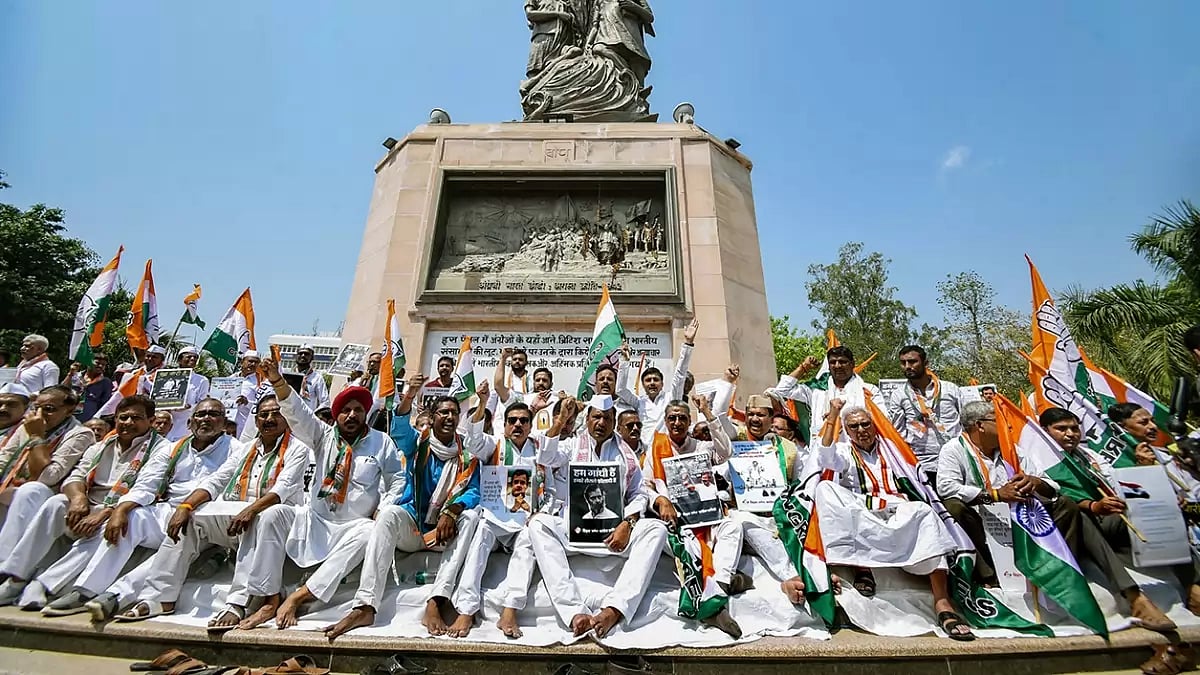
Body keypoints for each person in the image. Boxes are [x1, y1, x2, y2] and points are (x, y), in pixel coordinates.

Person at [233, 357, 403, 631]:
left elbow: (397, 479)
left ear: (365, 413)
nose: (351, 415)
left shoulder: (381, 441)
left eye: (358, 410)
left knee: (370, 532)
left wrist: (384, 507)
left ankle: (300, 596)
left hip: (353, 525)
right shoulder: (321, 435)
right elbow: (297, 411)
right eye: (345, 410)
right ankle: (268, 598)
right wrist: (278, 381)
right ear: (336, 414)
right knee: (272, 515)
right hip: (314, 520)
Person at [113, 394, 310, 628]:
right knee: (187, 520)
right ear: (256, 421)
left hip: (278, 518)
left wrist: (250, 510)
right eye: (263, 414)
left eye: (276, 413)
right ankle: (160, 597)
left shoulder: (298, 449)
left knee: (264, 515)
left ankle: (239, 603)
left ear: (287, 418)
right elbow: (216, 481)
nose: (269, 418)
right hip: (236, 513)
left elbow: (282, 490)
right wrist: (185, 507)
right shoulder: (246, 449)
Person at [38, 397, 238, 618]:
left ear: (224, 421)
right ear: (190, 421)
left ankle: (116, 596)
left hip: (204, 516)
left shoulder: (235, 449)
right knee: (132, 518)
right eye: (201, 414)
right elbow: (147, 484)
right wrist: (121, 510)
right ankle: (85, 591)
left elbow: (221, 487)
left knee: (180, 533)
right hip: (167, 509)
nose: (206, 419)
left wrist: (187, 507)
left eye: (213, 414)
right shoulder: (173, 449)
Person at [320, 376, 484, 640]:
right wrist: (408, 396)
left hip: (445, 534)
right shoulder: (417, 445)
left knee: (472, 516)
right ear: (431, 418)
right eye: (443, 412)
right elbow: (400, 431)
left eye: (454, 413)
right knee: (388, 514)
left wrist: (452, 511)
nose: (450, 417)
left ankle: (437, 600)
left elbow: (474, 491)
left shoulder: (468, 457)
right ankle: (365, 605)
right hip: (414, 528)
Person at [812, 401, 973, 640]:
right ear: (846, 431)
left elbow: (914, 480)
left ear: (874, 425)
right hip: (864, 508)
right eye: (853, 426)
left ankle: (942, 603)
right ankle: (862, 569)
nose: (861, 430)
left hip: (898, 508)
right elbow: (825, 457)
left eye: (865, 424)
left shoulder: (892, 448)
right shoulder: (845, 451)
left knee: (924, 511)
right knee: (826, 489)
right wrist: (834, 415)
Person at [0, 396, 170, 610]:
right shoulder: (100, 446)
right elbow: (75, 477)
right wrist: (78, 499)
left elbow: (145, 488)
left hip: (123, 507)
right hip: (87, 503)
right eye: (123, 417)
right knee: (55, 504)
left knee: (114, 526)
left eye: (136, 418)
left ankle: (43, 584)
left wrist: (103, 513)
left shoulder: (162, 449)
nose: (127, 423)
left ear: (151, 421)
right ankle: (16, 578)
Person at [1038, 407, 1190, 630]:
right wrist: (1092, 506)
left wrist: (1160, 496)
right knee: (1081, 515)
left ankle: (1192, 587)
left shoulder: (1089, 456)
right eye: (1061, 429)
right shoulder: (1036, 457)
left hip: (1110, 519)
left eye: (1074, 428)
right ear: (1044, 431)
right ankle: (1135, 597)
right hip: (1068, 529)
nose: (1070, 434)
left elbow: (1119, 485)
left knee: (1168, 509)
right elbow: (1051, 498)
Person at [530, 395, 667, 638]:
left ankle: (615, 608)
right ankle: (574, 611)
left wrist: (628, 522)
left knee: (656, 529)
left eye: (606, 418)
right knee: (539, 524)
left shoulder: (626, 454)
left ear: (614, 421)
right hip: (576, 532)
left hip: (613, 536)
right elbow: (546, 458)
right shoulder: (573, 444)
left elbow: (639, 493)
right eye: (596, 417)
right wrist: (561, 421)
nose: (600, 422)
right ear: (588, 419)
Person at [644, 396, 747, 637]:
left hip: (707, 518)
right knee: (690, 551)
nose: (677, 422)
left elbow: (725, 452)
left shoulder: (701, 446)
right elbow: (645, 485)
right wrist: (661, 500)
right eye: (672, 418)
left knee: (733, 526)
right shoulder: (656, 447)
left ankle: (719, 588)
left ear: (689, 421)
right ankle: (721, 599)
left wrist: (708, 413)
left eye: (682, 418)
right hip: (677, 522)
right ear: (666, 422)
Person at [936, 401, 1061, 588]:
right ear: (980, 425)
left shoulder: (1012, 450)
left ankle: (1059, 570)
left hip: (1020, 514)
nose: (1007, 425)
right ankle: (987, 576)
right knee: (953, 506)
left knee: (1065, 505)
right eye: (998, 420)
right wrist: (994, 495)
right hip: (982, 517)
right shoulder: (954, 449)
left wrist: (1035, 482)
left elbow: (1054, 487)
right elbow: (946, 487)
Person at [0, 385, 94, 533]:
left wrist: (37, 437)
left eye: (49, 409)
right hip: (12, 484)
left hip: (46, 494)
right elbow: (4, 458)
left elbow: (48, 477)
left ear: (69, 410)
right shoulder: (28, 425)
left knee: (30, 491)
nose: (40, 414)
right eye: (36, 407)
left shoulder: (81, 434)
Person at [619, 319, 698, 446]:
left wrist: (688, 344)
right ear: (643, 384)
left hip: (667, 449)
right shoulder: (639, 402)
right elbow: (620, 390)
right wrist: (624, 361)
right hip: (644, 451)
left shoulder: (671, 398)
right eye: (648, 380)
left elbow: (680, 376)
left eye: (655, 380)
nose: (652, 383)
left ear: (662, 383)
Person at [767, 346, 885, 431]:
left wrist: (840, 420)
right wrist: (804, 367)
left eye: (842, 362)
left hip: (857, 451)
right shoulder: (816, 390)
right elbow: (782, 390)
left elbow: (883, 420)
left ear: (852, 364)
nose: (837, 366)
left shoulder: (868, 390)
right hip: (822, 451)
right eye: (833, 362)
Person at [890, 346, 962, 479]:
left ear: (925, 363)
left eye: (912, 362)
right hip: (923, 462)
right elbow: (898, 431)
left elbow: (966, 421)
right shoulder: (899, 395)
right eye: (903, 362)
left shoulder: (950, 389)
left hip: (956, 459)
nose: (907, 366)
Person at [164, 346, 212, 442]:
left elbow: (202, 404)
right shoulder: (166, 376)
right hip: (164, 423)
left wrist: (188, 406)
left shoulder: (202, 380)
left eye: (195, 357)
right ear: (179, 360)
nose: (193, 359)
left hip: (185, 425)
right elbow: (159, 398)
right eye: (189, 357)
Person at [293, 345, 330, 413]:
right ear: (296, 356)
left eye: (306, 354)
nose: (303, 356)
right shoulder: (289, 376)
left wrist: (314, 416)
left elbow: (325, 402)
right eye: (300, 353)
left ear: (312, 357)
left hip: (307, 419)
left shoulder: (317, 378)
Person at [233, 351, 262, 436]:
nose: (253, 364)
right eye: (250, 361)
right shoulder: (231, 378)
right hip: (227, 423)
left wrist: (247, 402)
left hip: (245, 425)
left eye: (256, 362)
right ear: (242, 362)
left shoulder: (260, 382)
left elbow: (261, 405)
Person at [76, 354, 113, 421]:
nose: (100, 366)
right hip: (69, 417)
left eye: (103, 365)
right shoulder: (75, 376)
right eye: (97, 363)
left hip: (88, 420)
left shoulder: (106, 382)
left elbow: (104, 405)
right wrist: (70, 375)